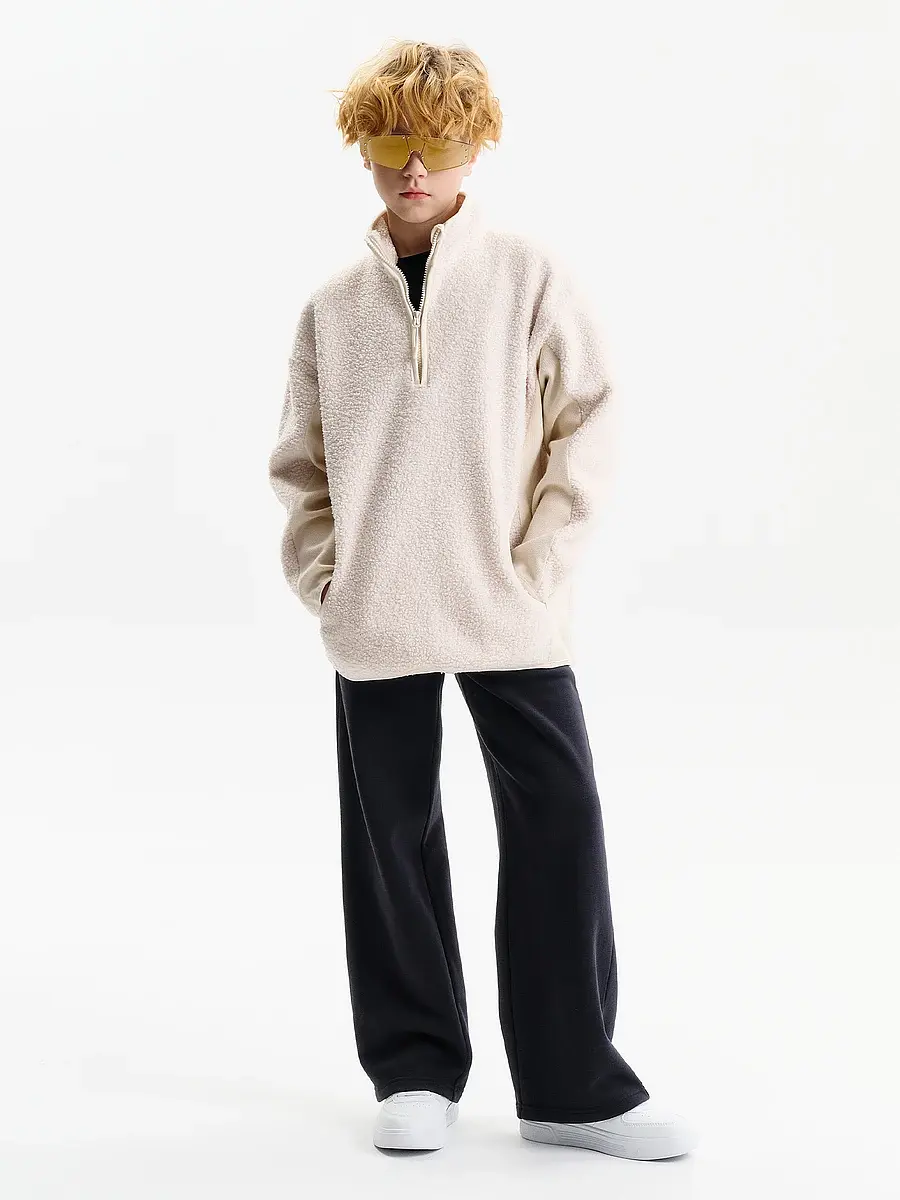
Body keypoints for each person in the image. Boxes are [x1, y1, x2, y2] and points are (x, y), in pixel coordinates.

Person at [268, 38, 700, 1160]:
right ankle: (414, 1068)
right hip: (377, 617)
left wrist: (542, 567)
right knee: (391, 841)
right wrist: (329, 582)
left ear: (477, 146)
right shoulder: (331, 309)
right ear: (363, 149)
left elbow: (589, 417)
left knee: (559, 822)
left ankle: (573, 1086)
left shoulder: (525, 275)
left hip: (509, 605)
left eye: (441, 141)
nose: (416, 165)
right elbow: (301, 467)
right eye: (393, 141)